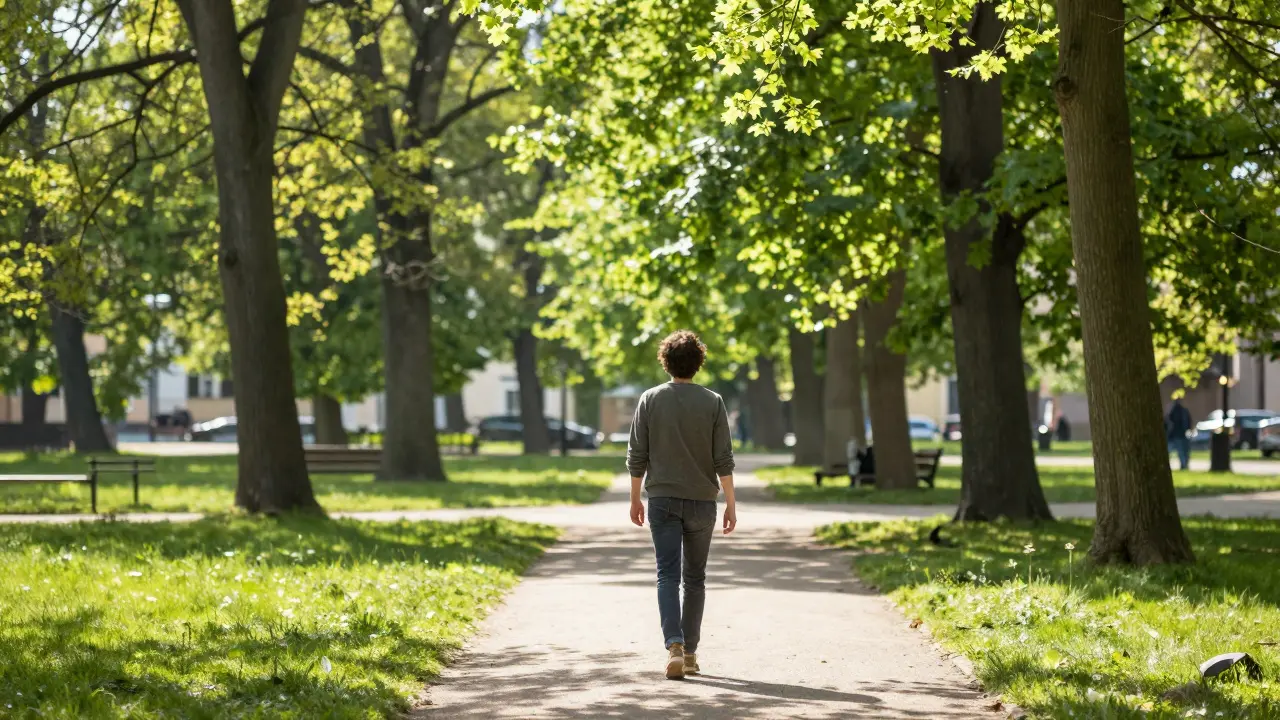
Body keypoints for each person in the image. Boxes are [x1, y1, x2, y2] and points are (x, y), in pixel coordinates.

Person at [627, 330, 737, 680]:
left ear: (666, 361)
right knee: (695, 578)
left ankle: (673, 645)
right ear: (699, 363)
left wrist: (634, 499)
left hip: (661, 500)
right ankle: (690, 653)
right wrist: (731, 503)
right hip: (703, 504)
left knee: (667, 574)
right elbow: (723, 459)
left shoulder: (650, 399)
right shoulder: (713, 401)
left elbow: (637, 455)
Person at [1166, 398, 1193, 471]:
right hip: (1180, 435)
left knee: (1178, 451)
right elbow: (1188, 423)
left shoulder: (1172, 411)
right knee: (1183, 452)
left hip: (1175, 435)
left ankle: (1184, 465)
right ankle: (1184, 465)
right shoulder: (1183, 411)